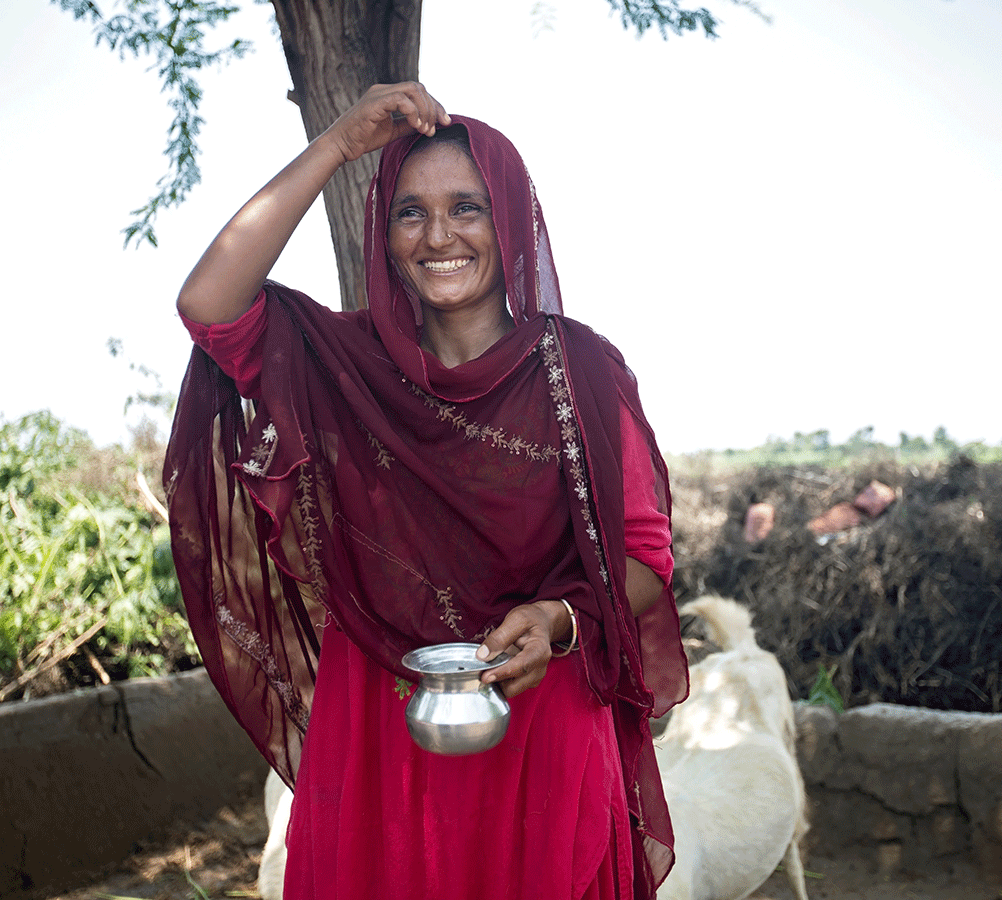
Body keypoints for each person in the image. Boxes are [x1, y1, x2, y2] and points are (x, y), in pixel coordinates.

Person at [165, 82, 688, 900]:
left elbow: (647, 558)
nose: (438, 235)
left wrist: (556, 622)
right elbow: (208, 304)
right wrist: (339, 146)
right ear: (384, 229)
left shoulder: (582, 371)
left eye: (467, 208)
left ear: (509, 217)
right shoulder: (342, 365)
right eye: (410, 212)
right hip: (381, 723)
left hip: (540, 718)